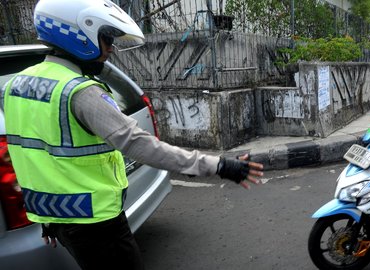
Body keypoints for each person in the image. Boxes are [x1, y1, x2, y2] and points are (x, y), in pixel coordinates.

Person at [0, 0, 264, 269]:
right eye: (106, 39)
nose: (111, 49)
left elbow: (32, 156)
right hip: (96, 223)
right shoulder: (78, 92)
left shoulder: (16, 85)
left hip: (60, 221)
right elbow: (140, 145)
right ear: (78, 35)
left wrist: (48, 220)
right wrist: (218, 165)